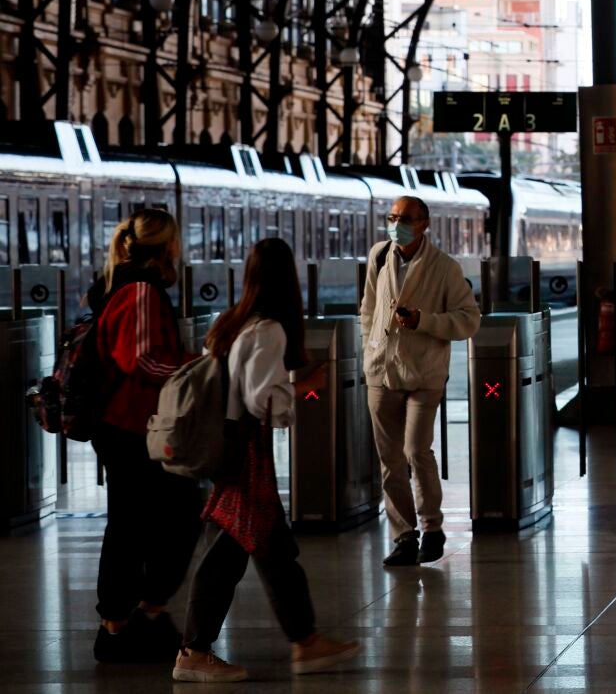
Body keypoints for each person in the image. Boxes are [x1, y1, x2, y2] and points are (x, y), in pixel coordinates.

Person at [173, 239, 360, 682]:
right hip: (246, 454)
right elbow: (262, 400)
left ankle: (305, 641)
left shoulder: (232, 322)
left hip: (232, 448)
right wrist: (307, 386)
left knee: (274, 550)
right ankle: (193, 651)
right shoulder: (269, 329)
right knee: (229, 552)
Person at [87, 209, 202, 664]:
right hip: (130, 425)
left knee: (147, 520)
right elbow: (141, 359)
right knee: (151, 520)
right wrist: (196, 368)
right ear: (169, 245)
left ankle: (139, 615)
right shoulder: (139, 290)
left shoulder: (130, 284)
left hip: (134, 424)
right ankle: (123, 621)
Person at [360, 195, 481, 567]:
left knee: (415, 449)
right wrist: (370, 347)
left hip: (425, 374)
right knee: (389, 459)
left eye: (406, 218)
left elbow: (469, 319)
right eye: (392, 217)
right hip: (381, 371)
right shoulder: (379, 255)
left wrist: (423, 321)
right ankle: (404, 535)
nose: (397, 224)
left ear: (424, 224)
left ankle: (432, 527)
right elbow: (369, 308)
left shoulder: (444, 268)